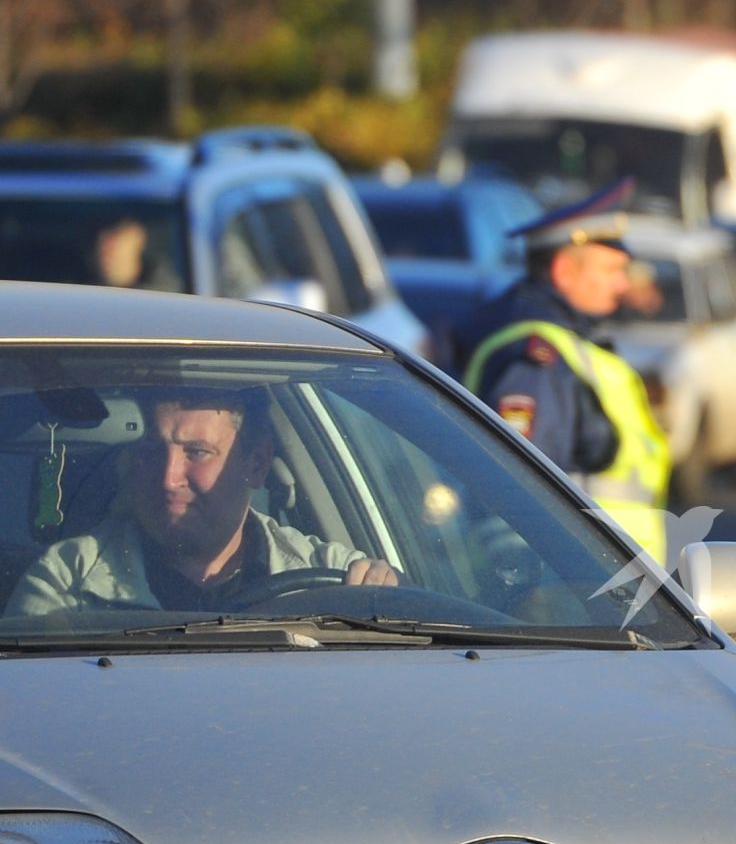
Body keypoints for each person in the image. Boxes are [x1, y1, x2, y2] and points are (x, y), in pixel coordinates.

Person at [7, 388, 397, 616]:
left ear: (256, 463)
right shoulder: (67, 585)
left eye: (196, 452)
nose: (168, 477)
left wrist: (386, 600)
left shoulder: (334, 582)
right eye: (154, 451)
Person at [450, 178, 669, 561]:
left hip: (603, 576)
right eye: (612, 270)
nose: (622, 285)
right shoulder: (537, 359)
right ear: (565, 270)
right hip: (567, 583)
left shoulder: (568, 344)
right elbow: (520, 487)